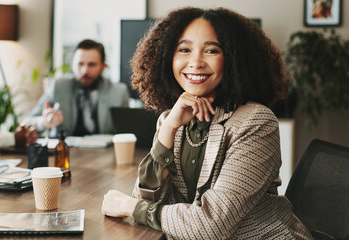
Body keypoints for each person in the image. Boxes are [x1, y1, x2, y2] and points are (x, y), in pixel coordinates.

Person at [102, 7, 313, 239]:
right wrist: (169, 128)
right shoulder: (170, 119)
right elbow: (147, 198)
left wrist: (129, 207)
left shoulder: (256, 122)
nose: (196, 62)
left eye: (211, 50)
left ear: (233, 59)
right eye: (184, 49)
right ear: (167, 57)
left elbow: (210, 227)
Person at [25, 39, 129, 137]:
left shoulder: (119, 92)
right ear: (72, 65)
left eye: (91, 65)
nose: (85, 71)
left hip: (105, 153)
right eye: (80, 64)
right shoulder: (59, 86)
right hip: (66, 152)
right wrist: (44, 122)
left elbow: (127, 132)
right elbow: (26, 122)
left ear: (102, 67)